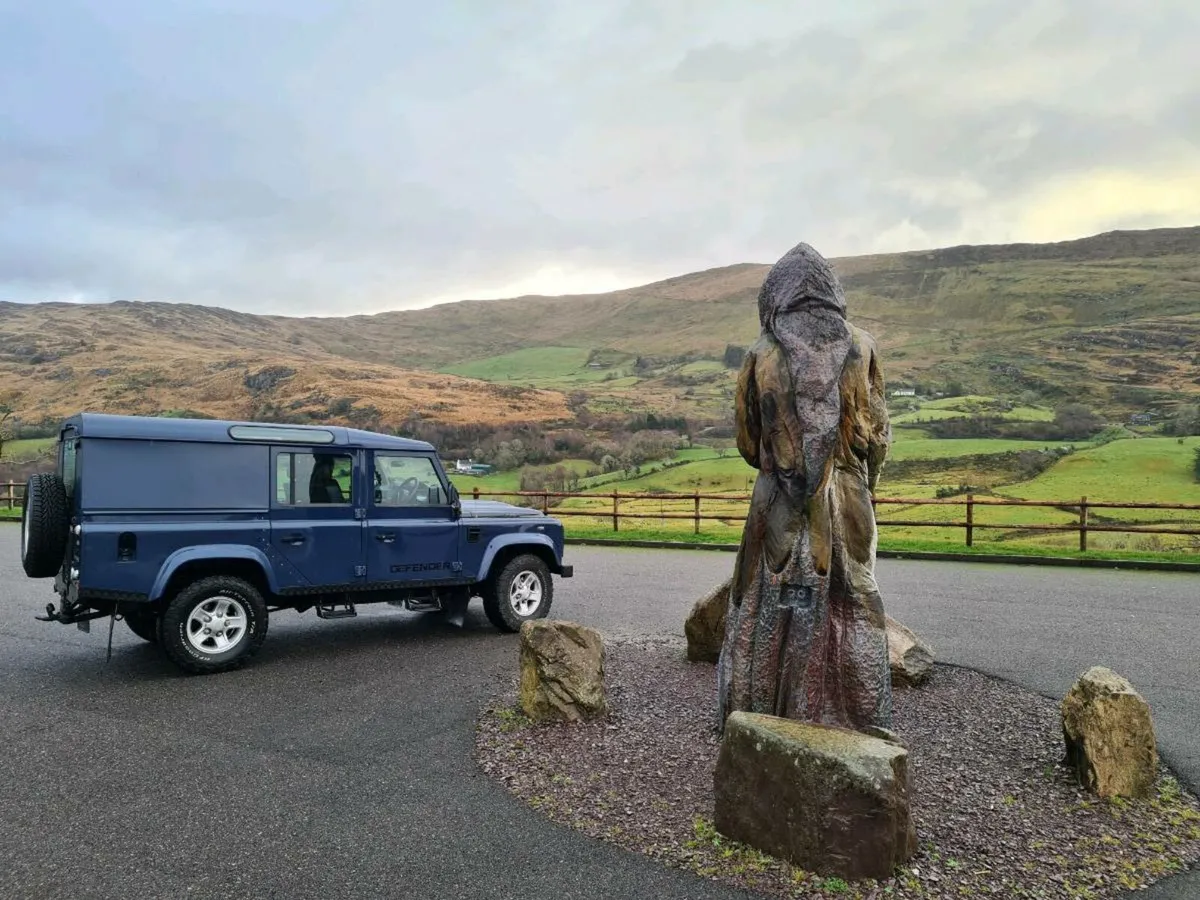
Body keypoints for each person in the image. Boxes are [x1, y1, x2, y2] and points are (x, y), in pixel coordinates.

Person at [715, 241, 893, 733]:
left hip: (776, 506)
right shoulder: (864, 347)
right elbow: (877, 434)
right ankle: (861, 721)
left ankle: (754, 719)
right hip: (848, 502)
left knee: (764, 607)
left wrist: (780, 464)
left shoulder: (761, 353)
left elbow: (748, 441)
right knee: (855, 603)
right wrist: (862, 481)